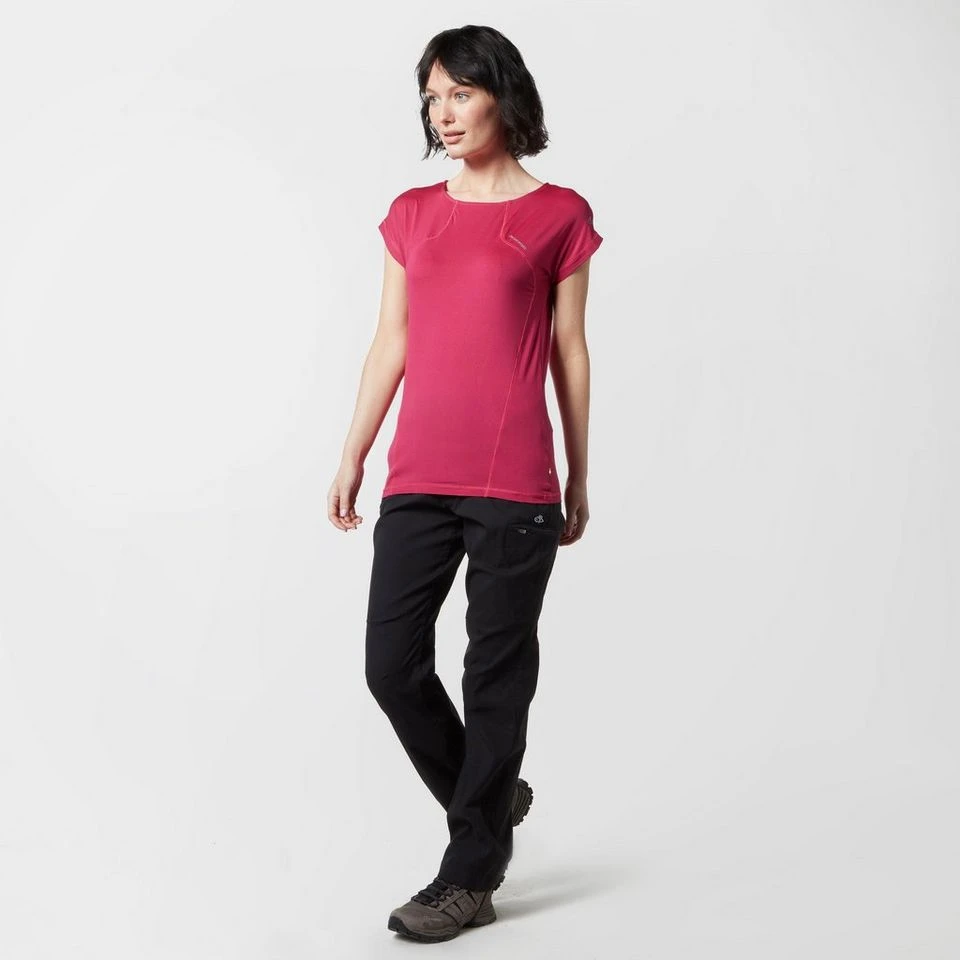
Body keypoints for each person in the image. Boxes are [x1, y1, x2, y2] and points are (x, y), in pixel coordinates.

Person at [328, 24, 602, 943]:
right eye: (431, 98)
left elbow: (570, 350)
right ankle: (487, 803)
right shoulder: (412, 214)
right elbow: (393, 338)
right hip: (418, 476)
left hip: (514, 481)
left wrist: (579, 471)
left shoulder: (559, 214)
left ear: (502, 96)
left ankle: (469, 875)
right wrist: (354, 451)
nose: (442, 114)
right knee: (391, 666)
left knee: (494, 677)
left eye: (460, 93)